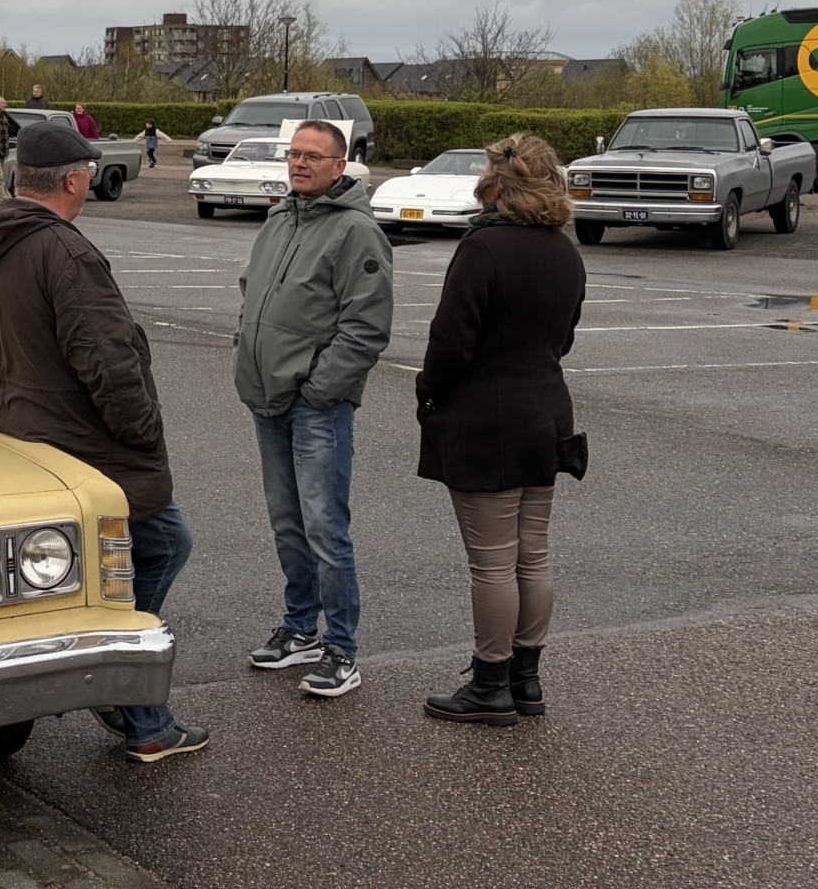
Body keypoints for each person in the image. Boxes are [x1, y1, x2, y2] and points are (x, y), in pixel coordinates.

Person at [0, 122, 205, 763]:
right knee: (159, 545)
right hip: (84, 444)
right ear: (74, 179)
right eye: (88, 171)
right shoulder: (65, 252)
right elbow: (108, 361)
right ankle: (137, 707)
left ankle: (131, 699)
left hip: (24, 431)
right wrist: (144, 435)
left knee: (130, 555)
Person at [415, 135, 587, 726]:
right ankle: (525, 678)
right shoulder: (565, 252)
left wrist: (428, 392)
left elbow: (451, 343)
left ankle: (490, 683)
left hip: (486, 420)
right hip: (545, 413)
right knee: (531, 555)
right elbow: (563, 338)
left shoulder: (482, 247)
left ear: (495, 182)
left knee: (492, 562)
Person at [233, 117, 393, 699]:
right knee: (287, 522)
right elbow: (253, 291)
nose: (299, 164)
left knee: (326, 527)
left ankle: (341, 649)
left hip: (315, 406)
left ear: (339, 166)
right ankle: (300, 628)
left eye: (312, 157)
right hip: (267, 396)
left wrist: (319, 388)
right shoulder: (279, 217)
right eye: (294, 154)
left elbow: (367, 326)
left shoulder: (356, 232)